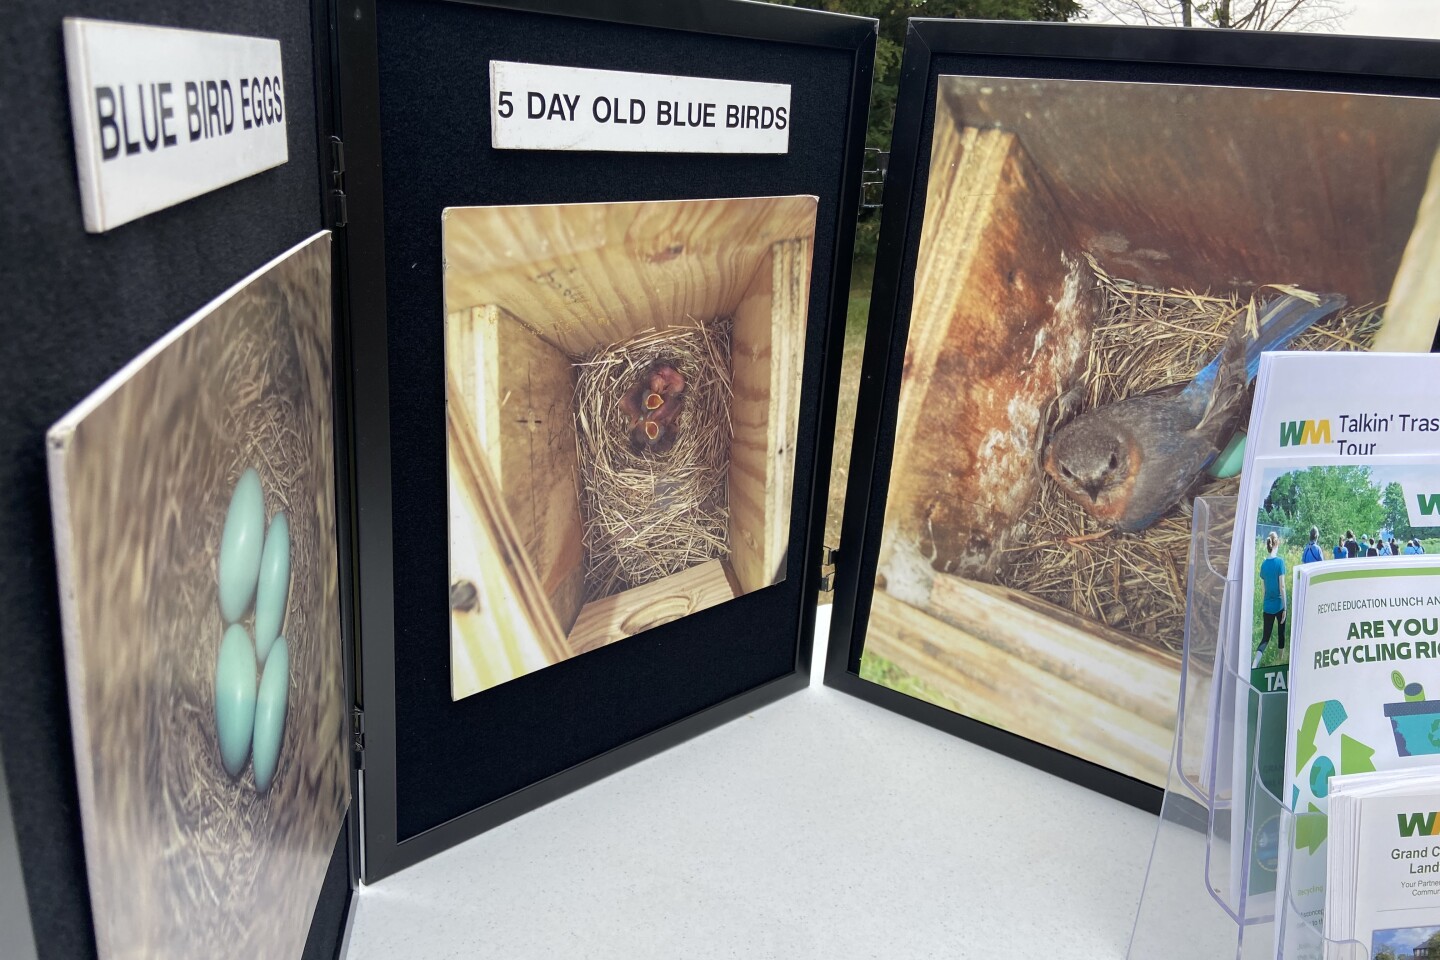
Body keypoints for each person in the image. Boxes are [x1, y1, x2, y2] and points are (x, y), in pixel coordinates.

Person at [1254, 531, 1288, 669]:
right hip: (1280, 605)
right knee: (1281, 634)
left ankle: (1254, 664)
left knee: (1265, 638)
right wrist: (1285, 607)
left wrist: (1265, 605)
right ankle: (1280, 662)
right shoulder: (1280, 562)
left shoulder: (1263, 565)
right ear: (1277, 543)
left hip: (1267, 606)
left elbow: (1263, 590)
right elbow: (1282, 586)